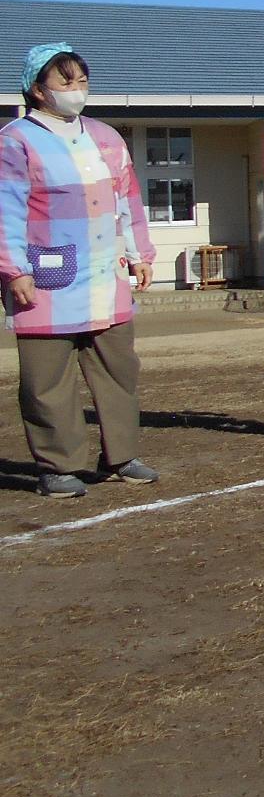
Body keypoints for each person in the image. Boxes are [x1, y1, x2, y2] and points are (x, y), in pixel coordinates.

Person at [1, 43, 159, 498]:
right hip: (45, 278)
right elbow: (5, 211)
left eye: (82, 81)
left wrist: (140, 255)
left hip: (105, 275)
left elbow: (128, 200)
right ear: (37, 88)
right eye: (65, 81)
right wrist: (14, 270)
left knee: (118, 369)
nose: (76, 90)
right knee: (47, 380)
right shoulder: (16, 139)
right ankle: (57, 465)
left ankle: (121, 456)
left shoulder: (106, 136)